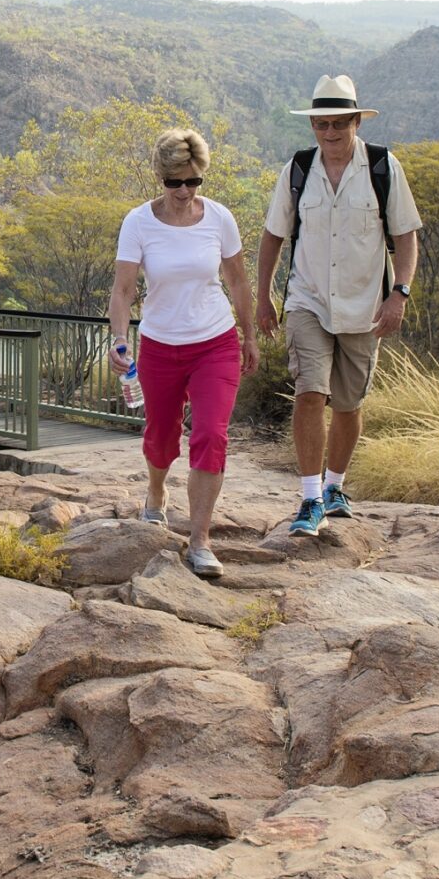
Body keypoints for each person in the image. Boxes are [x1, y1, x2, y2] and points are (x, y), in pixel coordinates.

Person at [255, 74, 421, 537]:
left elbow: (406, 236)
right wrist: (263, 295)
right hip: (307, 299)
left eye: (338, 124)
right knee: (310, 392)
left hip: (364, 306)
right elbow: (273, 235)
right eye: (321, 125)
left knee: (348, 403)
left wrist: (399, 293)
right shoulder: (298, 170)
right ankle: (309, 499)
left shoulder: (384, 168)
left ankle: (335, 487)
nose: (329, 134)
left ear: (354, 121)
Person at [107, 128, 249, 579]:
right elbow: (124, 288)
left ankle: (200, 539)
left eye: (193, 182)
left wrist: (251, 336)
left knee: (210, 434)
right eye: (175, 182)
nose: (184, 191)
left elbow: (239, 282)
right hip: (161, 346)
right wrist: (118, 338)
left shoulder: (220, 219)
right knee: (162, 436)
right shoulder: (138, 223)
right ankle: (156, 493)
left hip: (216, 343)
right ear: (160, 178)